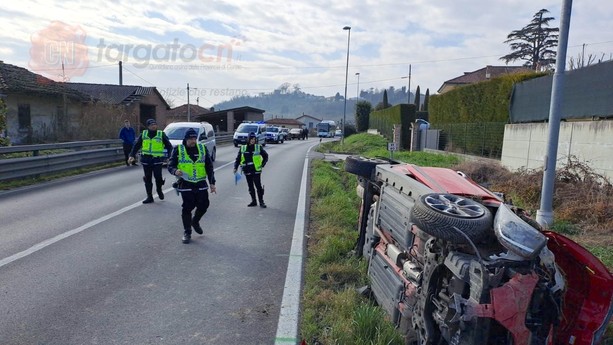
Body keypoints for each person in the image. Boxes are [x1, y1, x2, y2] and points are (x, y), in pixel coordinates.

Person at [168, 128, 216, 244]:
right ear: (186, 139)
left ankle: (195, 221)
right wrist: (175, 171)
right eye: (190, 139)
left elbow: (209, 167)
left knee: (204, 205)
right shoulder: (178, 150)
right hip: (186, 184)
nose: (193, 141)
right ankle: (187, 232)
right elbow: (171, 165)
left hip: (200, 183)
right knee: (187, 207)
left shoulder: (202, 148)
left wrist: (212, 183)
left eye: (194, 138)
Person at [128, 118, 173, 204]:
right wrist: (132, 155)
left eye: (155, 124)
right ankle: (149, 196)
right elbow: (136, 145)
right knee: (148, 178)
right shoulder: (144, 134)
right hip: (146, 160)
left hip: (157, 160)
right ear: (148, 126)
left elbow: (169, 146)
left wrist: (169, 157)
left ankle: (159, 190)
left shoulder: (161, 134)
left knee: (158, 177)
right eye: (151, 125)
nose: (154, 126)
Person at [233, 132, 269, 208]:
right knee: (250, 187)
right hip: (247, 170)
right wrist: (235, 167)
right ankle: (253, 201)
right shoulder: (243, 148)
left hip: (256, 170)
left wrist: (262, 164)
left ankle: (261, 202)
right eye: (251, 139)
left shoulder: (258, 147)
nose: (253, 140)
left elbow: (266, 156)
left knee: (258, 186)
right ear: (248, 139)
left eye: (254, 139)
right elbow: (238, 159)